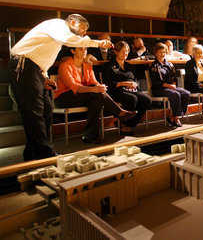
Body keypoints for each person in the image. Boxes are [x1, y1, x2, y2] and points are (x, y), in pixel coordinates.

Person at [8, 14, 112, 160]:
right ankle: (44, 152)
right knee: (35, 111)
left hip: (35, 69)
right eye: (83, 28)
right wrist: (99, 43)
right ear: (73, 22)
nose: (84, 33)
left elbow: (42, 56)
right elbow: (70, 41)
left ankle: (32, 152)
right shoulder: (58, 25)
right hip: (23, 66)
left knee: (46, 110)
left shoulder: (59, 34)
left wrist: (44, 77)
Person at [54, 47, 137, 144]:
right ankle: (119, 113)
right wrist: (93, 89)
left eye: (85, 49)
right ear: (73, 51)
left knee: (96, 100)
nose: (84, 51)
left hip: (84, 95)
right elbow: (73, 86)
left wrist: (100, 87)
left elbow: (94, 82)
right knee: (94, 92)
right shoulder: (65, 65)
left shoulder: (87, 65)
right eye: (81, 49)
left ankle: (89, 136)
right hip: (64, 98)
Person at [102, 41, 151, 135]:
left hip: (132, 90)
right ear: (116, 52)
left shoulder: (129, 66)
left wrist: (134, 84)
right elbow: (108, 84)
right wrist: (123, 83)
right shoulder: (109, 66)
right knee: (132, 99)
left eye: (127, 51)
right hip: (117, 91)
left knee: (147, 99)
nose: (125, 53)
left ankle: (129, 124)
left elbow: (136, 80)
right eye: (123, 51)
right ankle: (124, 124)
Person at [149, 43, 190, 127]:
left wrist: (174, 84)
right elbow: (156, 82)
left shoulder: (170, 64)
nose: (162, 54)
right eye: (160, 52)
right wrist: (169, 86)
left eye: (164, 52)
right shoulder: (154, 66)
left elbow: (174, 78)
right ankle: (176, 118)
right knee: (175, 94)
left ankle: (173, 116)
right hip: (159, 89)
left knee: (186, 93)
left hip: (171, 88)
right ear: (156, 53)